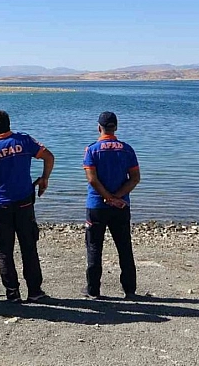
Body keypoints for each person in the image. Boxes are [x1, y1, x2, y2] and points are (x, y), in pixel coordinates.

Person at [0, 110, 54, 303]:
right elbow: (49, 157)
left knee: (4, 250)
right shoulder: (24, 141)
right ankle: (35, 291)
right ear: (8, 124)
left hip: (1, 205)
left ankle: (12, 293)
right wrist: (44, 178)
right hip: (24, 202)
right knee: (29, 247)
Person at [82, 111, 140, 300]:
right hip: (121, 206)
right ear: (116, 127)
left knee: (94, 247)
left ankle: (93, 290)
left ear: (99, 127)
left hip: (97, 205)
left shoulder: (92, 150)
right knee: (124, 247)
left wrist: (107, 197)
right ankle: (129, 290)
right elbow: (135, 178)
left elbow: (92, 179)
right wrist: (117, 197)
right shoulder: (127, 149)